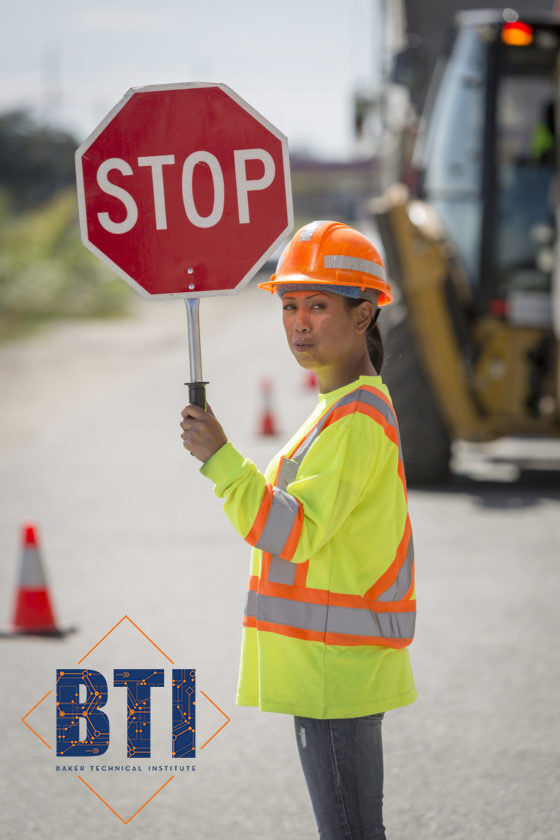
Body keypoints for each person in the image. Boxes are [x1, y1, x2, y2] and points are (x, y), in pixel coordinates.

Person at [180, 220, 417, 839]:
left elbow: (291, 533)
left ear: (364, 316)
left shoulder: (358, 418)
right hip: (326, 669)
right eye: (289, 306)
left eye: (317, 305)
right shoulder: (338, 408)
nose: (300, 322)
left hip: (334, 673)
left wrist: (221, 460)